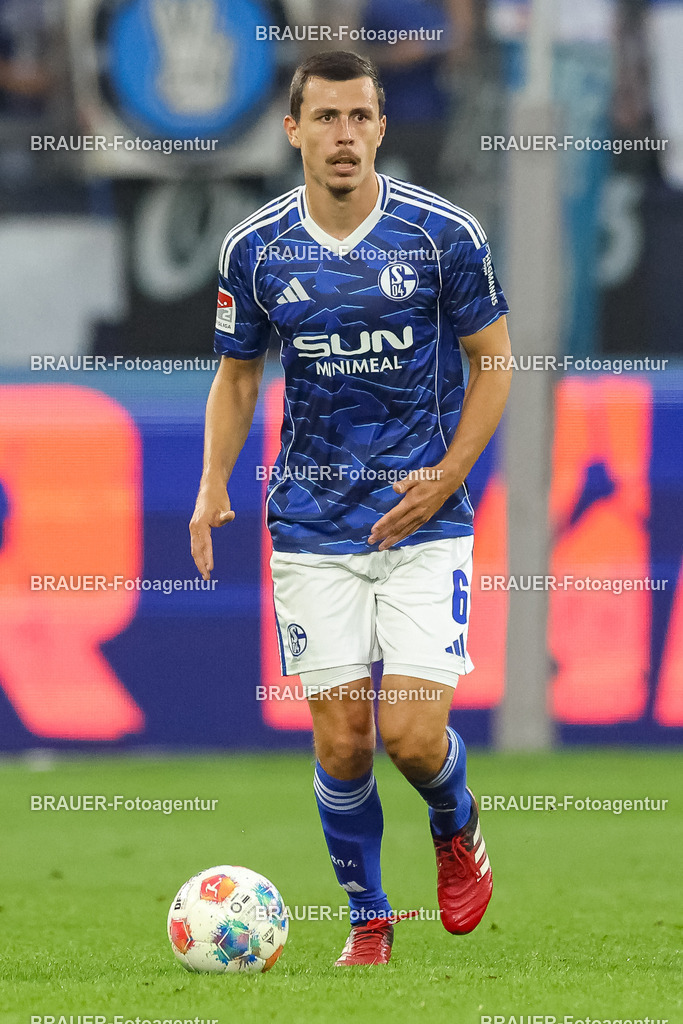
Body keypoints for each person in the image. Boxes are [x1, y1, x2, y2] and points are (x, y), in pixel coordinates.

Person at [190, 50, 512, 966]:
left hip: (423, 522)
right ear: (292, 129)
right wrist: (213, 483)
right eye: (325, 117)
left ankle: (454, 821)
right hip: (311, 525)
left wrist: (446, 475)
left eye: (359, 117)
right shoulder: (256, 248)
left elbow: (495, 363)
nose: (343, 135)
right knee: (342, 744)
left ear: (380, 127)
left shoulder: (440, 235)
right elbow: (238, 377)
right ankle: (368, 918)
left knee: (409, 737)